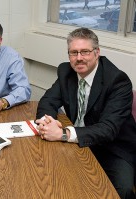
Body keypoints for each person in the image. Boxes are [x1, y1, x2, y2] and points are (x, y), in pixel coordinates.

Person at [35, 28, 135, 199]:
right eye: (74, 52)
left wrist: (64, 134)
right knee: (50, 178)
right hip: (78, 140)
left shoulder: (118, 81)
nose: (79, 58)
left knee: (121, 190)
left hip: (113, 147)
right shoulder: (66, 72)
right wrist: (47, 122)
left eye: (85, 52)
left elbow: (108, 129)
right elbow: (48, 101)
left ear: (97, 53)